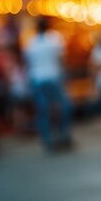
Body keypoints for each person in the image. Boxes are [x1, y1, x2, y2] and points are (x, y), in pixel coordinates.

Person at [24, 18, 73, 151]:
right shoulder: (54, 39)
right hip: (54, 77)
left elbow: (28, 63)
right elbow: (61, 59)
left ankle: (47, 140)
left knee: (43, 111)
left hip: (37, 79)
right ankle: (64, 135)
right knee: (64, 107)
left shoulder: (31, 42)